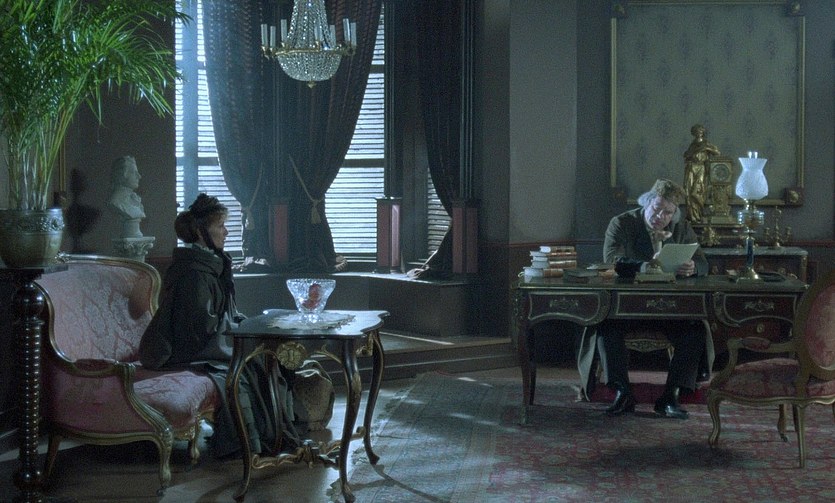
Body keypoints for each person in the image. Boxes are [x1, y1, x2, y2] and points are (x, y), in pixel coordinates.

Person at [138, 193, 301, 458]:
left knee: (266, 356)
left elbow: (222, 315)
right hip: (188, 350)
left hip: (207, 340)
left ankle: (278, 434)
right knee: (250, 364)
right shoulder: (193, 273)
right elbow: (199, 330)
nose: (226, 232)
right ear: (201, 232)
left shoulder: (209, 264)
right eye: (220, 226)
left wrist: (245, 325)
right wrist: (242, 334)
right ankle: (256, 442)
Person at [598, 178, 710, 419]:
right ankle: (622, 392)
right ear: (647, 203)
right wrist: (646, 266)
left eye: (667, 212)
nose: (660, 216)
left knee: (695, 330)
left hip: (669, 307)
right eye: (656, 208)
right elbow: (611, 260)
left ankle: (671, 396)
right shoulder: (622, 223)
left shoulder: (681, 228)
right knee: (606, 328)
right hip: (627, 306)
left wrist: (693, 268)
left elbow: (703, 263)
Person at [683, 124, 720, 223]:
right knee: (689, 191)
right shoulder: (692, 144)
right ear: (693, 133)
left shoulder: (706, 143)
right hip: (691, 167)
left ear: (703, 133)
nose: (699, 133)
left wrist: (707, 148)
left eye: (700, 131)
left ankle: (700, 213)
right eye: (696, 131)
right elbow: (686, 155)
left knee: (697, 192)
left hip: (701, 168)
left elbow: (717, 152)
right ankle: (692, 216)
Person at [108, 156, 146, 223]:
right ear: (122, 174)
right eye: (133, 172)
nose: (139, 176)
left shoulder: (133, 198)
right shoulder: (115, 202)